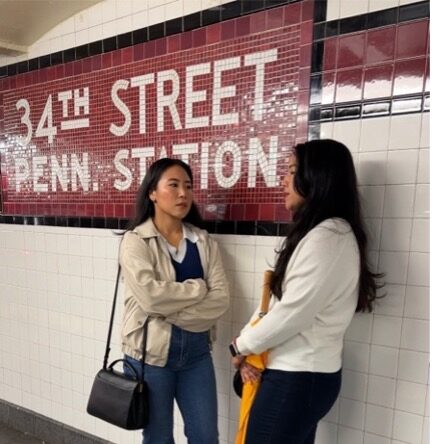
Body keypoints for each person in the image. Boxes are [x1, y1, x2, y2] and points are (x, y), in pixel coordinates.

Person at [229, 139, 382, 444]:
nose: (284, 180)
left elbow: (291, 314)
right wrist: (246, 347)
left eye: (292, 171)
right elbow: (272, 306)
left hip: (297, 379)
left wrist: (241, 346)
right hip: (295, 375)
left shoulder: (330, 237)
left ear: (318, 177)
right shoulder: (319, 233)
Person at [120, 158, 230, 444]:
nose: (183, 193)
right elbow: (151, 298)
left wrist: (170, 311)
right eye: (174, 185)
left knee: (205, 436)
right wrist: (197, 289)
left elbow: (220, 299)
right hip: (150, 357)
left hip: (196, 354)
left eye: (188, 186)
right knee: (158, 438)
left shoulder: (203, 242)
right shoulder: (136, 241)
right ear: (152, 193)